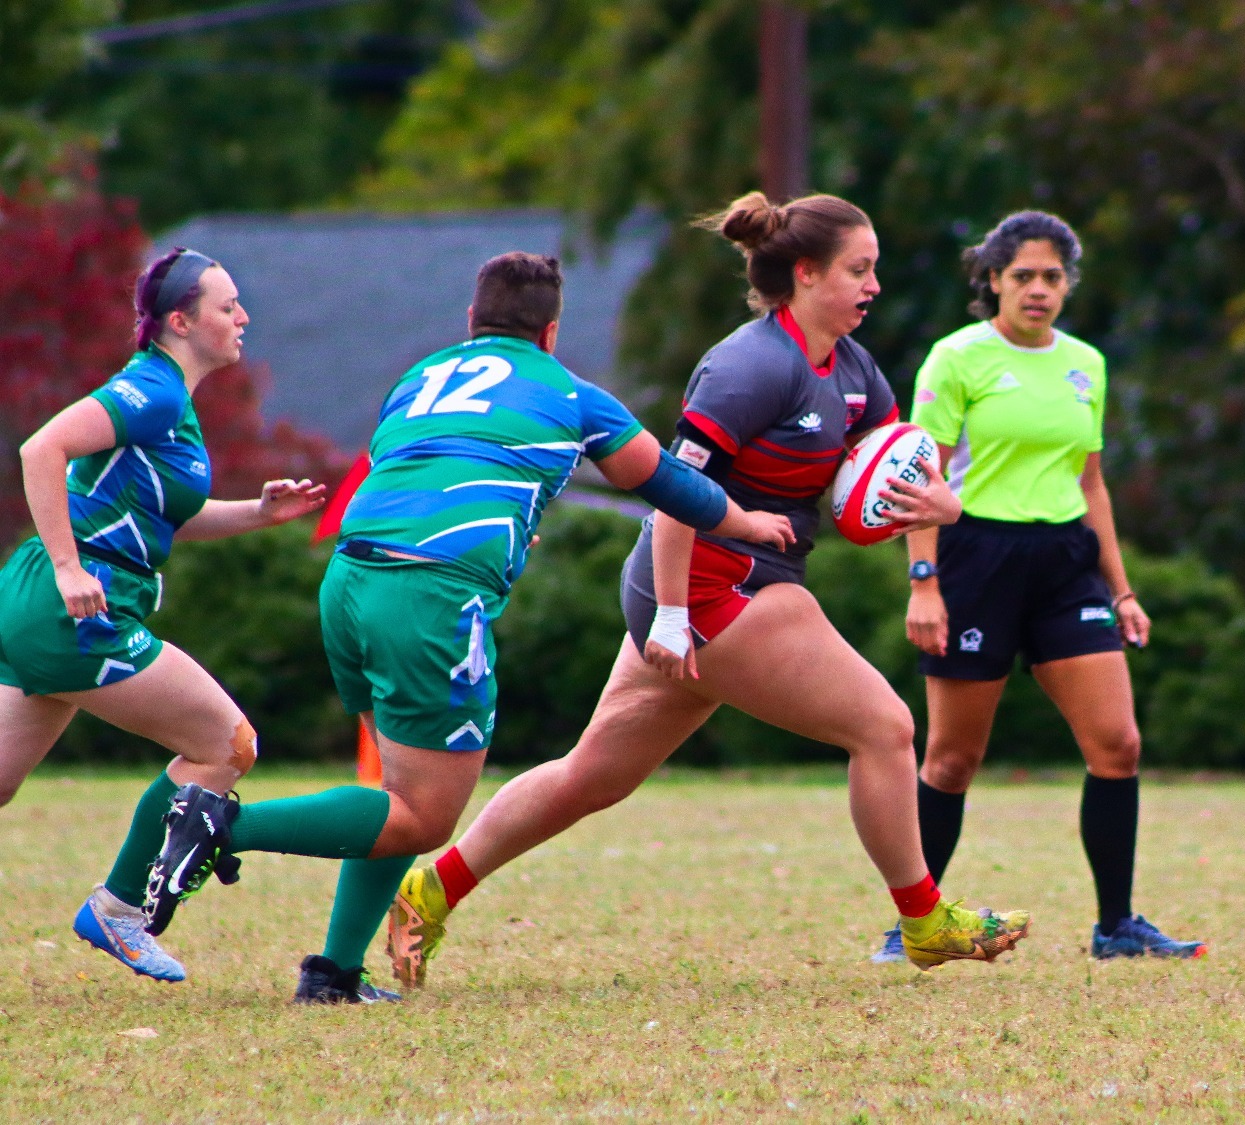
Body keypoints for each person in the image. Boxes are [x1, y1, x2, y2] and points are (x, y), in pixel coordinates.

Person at [384, 192, 1031, 989]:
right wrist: (674, 615)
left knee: (593, 775)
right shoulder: (749, 366)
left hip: (737, 581)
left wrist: (940, 505)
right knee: (886, 727)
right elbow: (673, 492)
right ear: (806, 273)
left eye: (874, 270)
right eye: (858, 270)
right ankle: (924, 920)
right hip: (704, 582)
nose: (874, 286)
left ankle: (429, 889)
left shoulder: (855, 368)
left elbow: (882, 475)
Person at [131, 251, 795, 1003]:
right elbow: (672, 484)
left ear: (472, 321)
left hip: (349, 577)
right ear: (550, 332)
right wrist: (748, 522)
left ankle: (334, 973)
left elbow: (419, 472)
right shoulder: (571, 393)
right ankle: (222, 823)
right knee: (423, 816)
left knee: (393, 792)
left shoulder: (419, 378)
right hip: (430, 596)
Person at [871, 211, 1204, 964]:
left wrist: (1122, 590)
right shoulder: (956, 358)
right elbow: (920, 477)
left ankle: (1116, 926)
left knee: (1118, 744)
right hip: (974, 558)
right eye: (1023, 275)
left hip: (1064, 564)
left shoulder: (1086, 363)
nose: (1038, 290)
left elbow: (1091, 483)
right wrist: (923, 582)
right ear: (992, 280)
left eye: (1053, 276)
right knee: (952, 759)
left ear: (1068, 285)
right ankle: (914, 923)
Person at [0, 248, 327, 983]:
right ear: (181, 321)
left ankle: (117, 910)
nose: (243, 317)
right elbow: (41, 448)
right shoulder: (154, 390)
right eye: (227, 306)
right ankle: (119, 910)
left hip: (39, 601)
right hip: (75, 605)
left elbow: (165, 516)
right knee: (227, 743)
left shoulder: (167, 395)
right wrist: (69, 568)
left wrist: (258, 513)